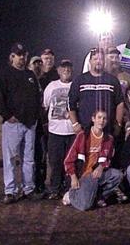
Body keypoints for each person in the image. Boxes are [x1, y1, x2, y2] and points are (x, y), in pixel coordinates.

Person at [0, 43, 41, 204]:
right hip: (13, 123)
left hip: (29, 124)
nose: (21, 57)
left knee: (29, 159)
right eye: (18, 55)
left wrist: (35, 117)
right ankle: (10, 190)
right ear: (12, 56)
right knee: (11, 159)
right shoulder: (5, 74)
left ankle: (28, 188)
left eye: (23, 55)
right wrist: (7, 116)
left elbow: (37, 97)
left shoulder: (30, 74)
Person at [62, 110, 123, 211]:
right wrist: (73, 177)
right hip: (82, 176)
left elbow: (107, 159)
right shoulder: (82, 136)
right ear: (93, 119)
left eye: (104, 118)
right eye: (99, 117)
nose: (101, 121)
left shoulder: (108, 139)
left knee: (117, 175)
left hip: (96, 174)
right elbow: (68, 160)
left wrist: (101, 167)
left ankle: (98, 197)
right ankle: (71, 195)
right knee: (84, 206)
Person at [68, 48, 124, 135]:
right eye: (95, 59)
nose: (98, 62)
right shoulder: (80, 80)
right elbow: (70, 103)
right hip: (85, 130)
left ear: (104, 62)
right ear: (90, 61)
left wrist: (118, 124)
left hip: (107, 130)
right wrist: (75, 124)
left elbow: (120, 103)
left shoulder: (112, 80)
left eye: (101, 59)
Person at [43, 59, 76, 200]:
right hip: (55, 131)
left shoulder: (76, 85)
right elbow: (45, 105)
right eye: (63, 68)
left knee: (71, 161)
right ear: (58, 70)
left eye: (68, 68)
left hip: (72, 132)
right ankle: (55, 188)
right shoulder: (52, 86)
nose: (66, 70)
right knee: (55, 162)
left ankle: (69, 188)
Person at [27, 56, 47, 194]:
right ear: (30, 65)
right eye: (35, 63)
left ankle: (40, 183)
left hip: (42, 124)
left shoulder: (46, 81)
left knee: (41, 155)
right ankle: (29, 184)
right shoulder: (26, 80)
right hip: (29, 122)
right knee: (28, 156)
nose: (38, 66)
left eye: (40, 63)